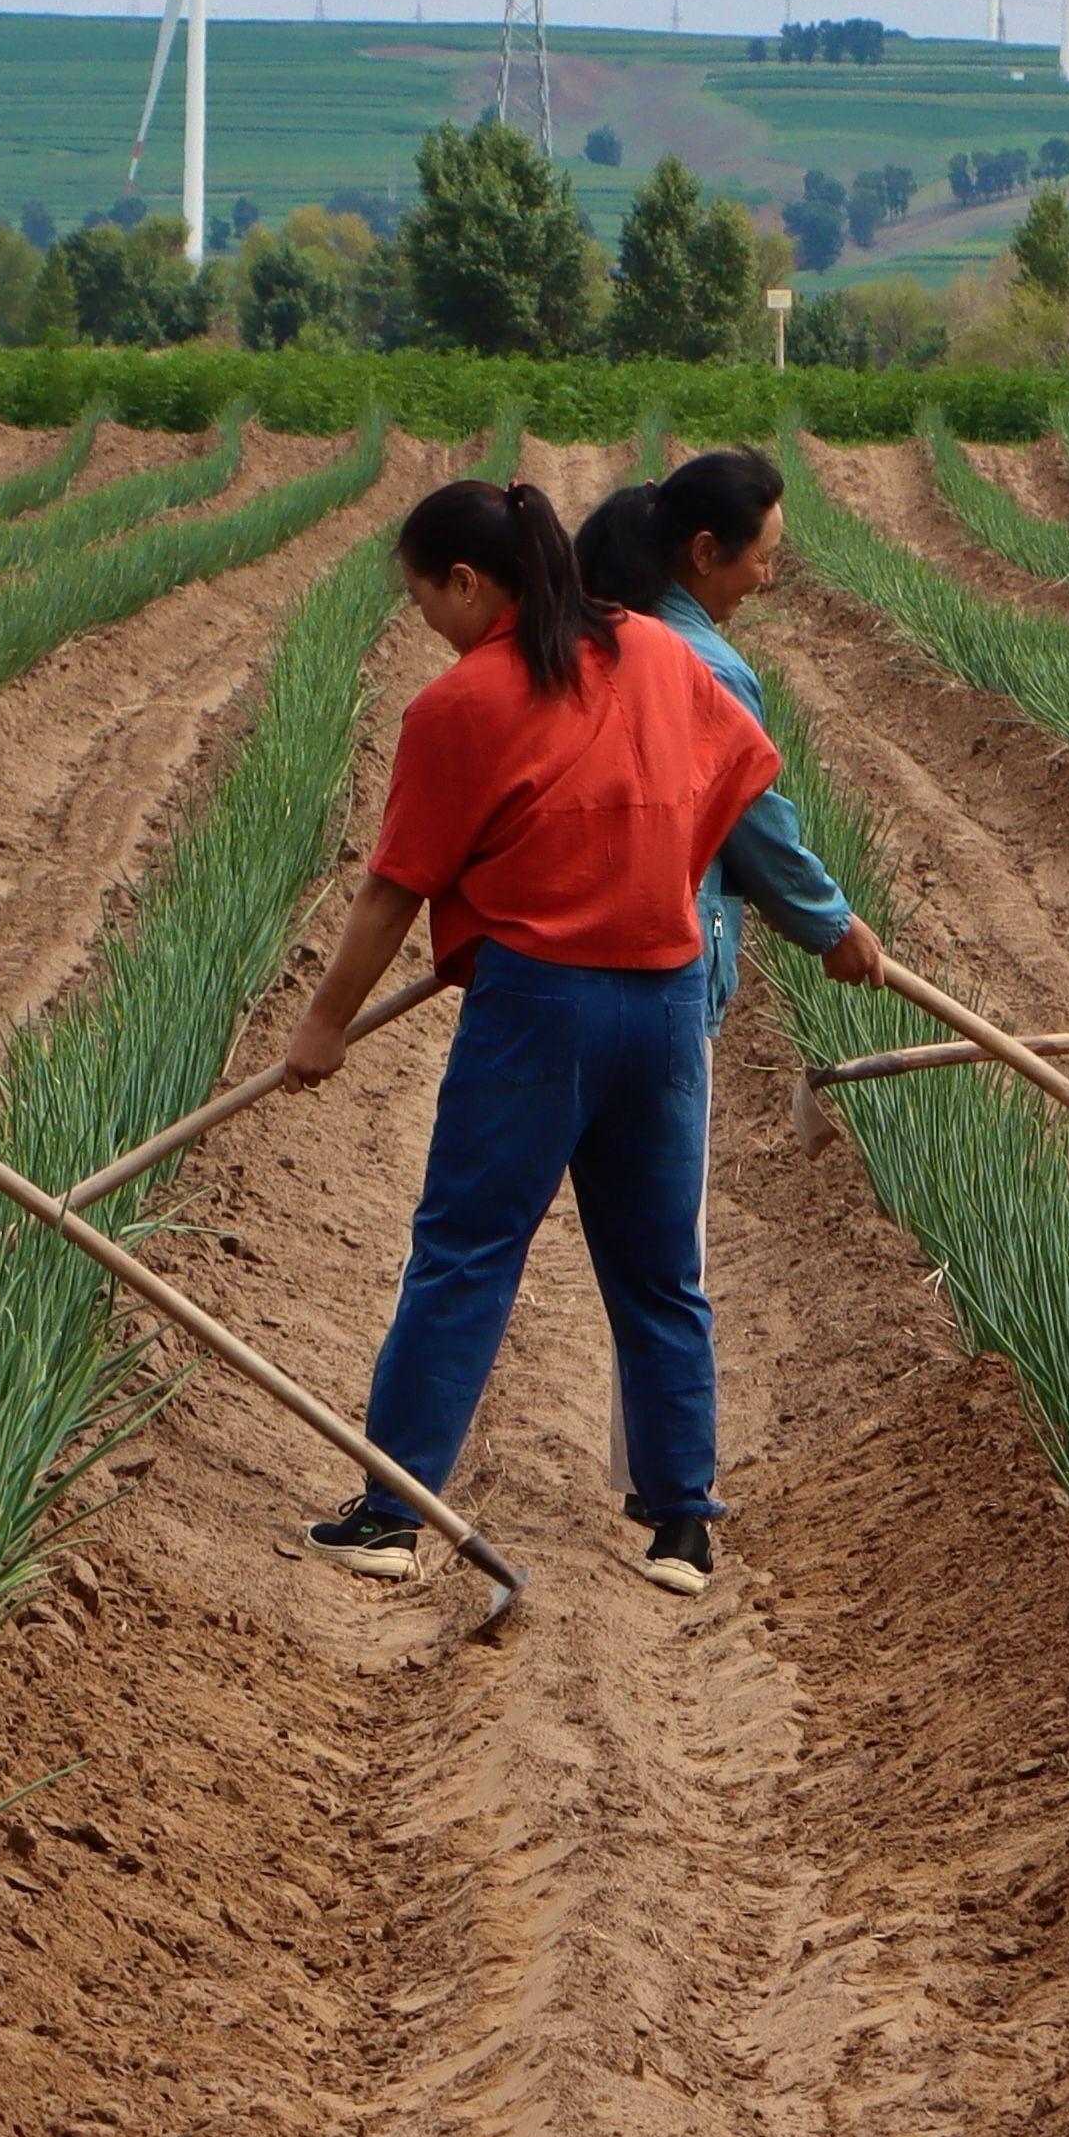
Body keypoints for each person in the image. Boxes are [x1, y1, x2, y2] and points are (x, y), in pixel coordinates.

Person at [275, 478, 783, 1597]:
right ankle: (683, 1527)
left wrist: (323, 1025)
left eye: (422, 602)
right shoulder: (655, 649)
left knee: (466, 1249)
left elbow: (393, 887)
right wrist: (641, 875)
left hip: (538, 1007)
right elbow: (738, 773)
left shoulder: (462, 702)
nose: (424, 626)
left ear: (467, 581)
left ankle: (393, 1511)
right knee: (658, 1270)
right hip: (662, 997)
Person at [574, 449, 898, 1029]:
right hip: (664, 969)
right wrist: (829, 924)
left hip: (565, 954)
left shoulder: (589, 634)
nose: (767, 579)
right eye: (763, 559)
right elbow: (745, 817)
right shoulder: (707, 669)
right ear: (703, 552)